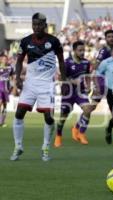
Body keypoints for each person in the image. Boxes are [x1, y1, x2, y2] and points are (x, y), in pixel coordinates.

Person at [10, 13, 67, 161]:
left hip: (47, 85)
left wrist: (65, 81)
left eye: (39, 24)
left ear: (45, 25)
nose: (36, 27)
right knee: (18, 114)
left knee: (48, 118)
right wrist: (18, 78)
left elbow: (61, 61)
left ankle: (46, 147)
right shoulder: (25, 41)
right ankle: (18, 146)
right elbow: (18, 62)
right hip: (30, 83)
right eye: (34, 24)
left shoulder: (54, 41)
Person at [54, 41, 94, 147]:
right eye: (80, 50)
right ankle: (58, 136)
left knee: (88, 110)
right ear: (74, 51)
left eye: (83, 50)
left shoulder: (86, 63)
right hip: (68, 93)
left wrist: (89, 85)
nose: (82, 53)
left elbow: (88, 75)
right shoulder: (67, 63)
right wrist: (72, 81)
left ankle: (81, 132)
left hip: (80, 92)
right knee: (63, 116)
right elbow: (60, 77)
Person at [91, 30, 113, 143]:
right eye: (109, 37)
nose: (111, 38)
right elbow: (96, 65)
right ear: (106, 38)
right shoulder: (104, 51)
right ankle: (77, 128)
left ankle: (109, 129)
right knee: (91, 107)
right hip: (101, 82)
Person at [0, 55, 14, 127]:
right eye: (3, 59)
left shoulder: (10, 68)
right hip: (0, 88)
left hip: (6, 89)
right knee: (0, 103)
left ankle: (2, 121)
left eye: (5, 59)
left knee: (5, 106)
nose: (4, 60)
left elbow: (12, 78)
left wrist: (12, 86)